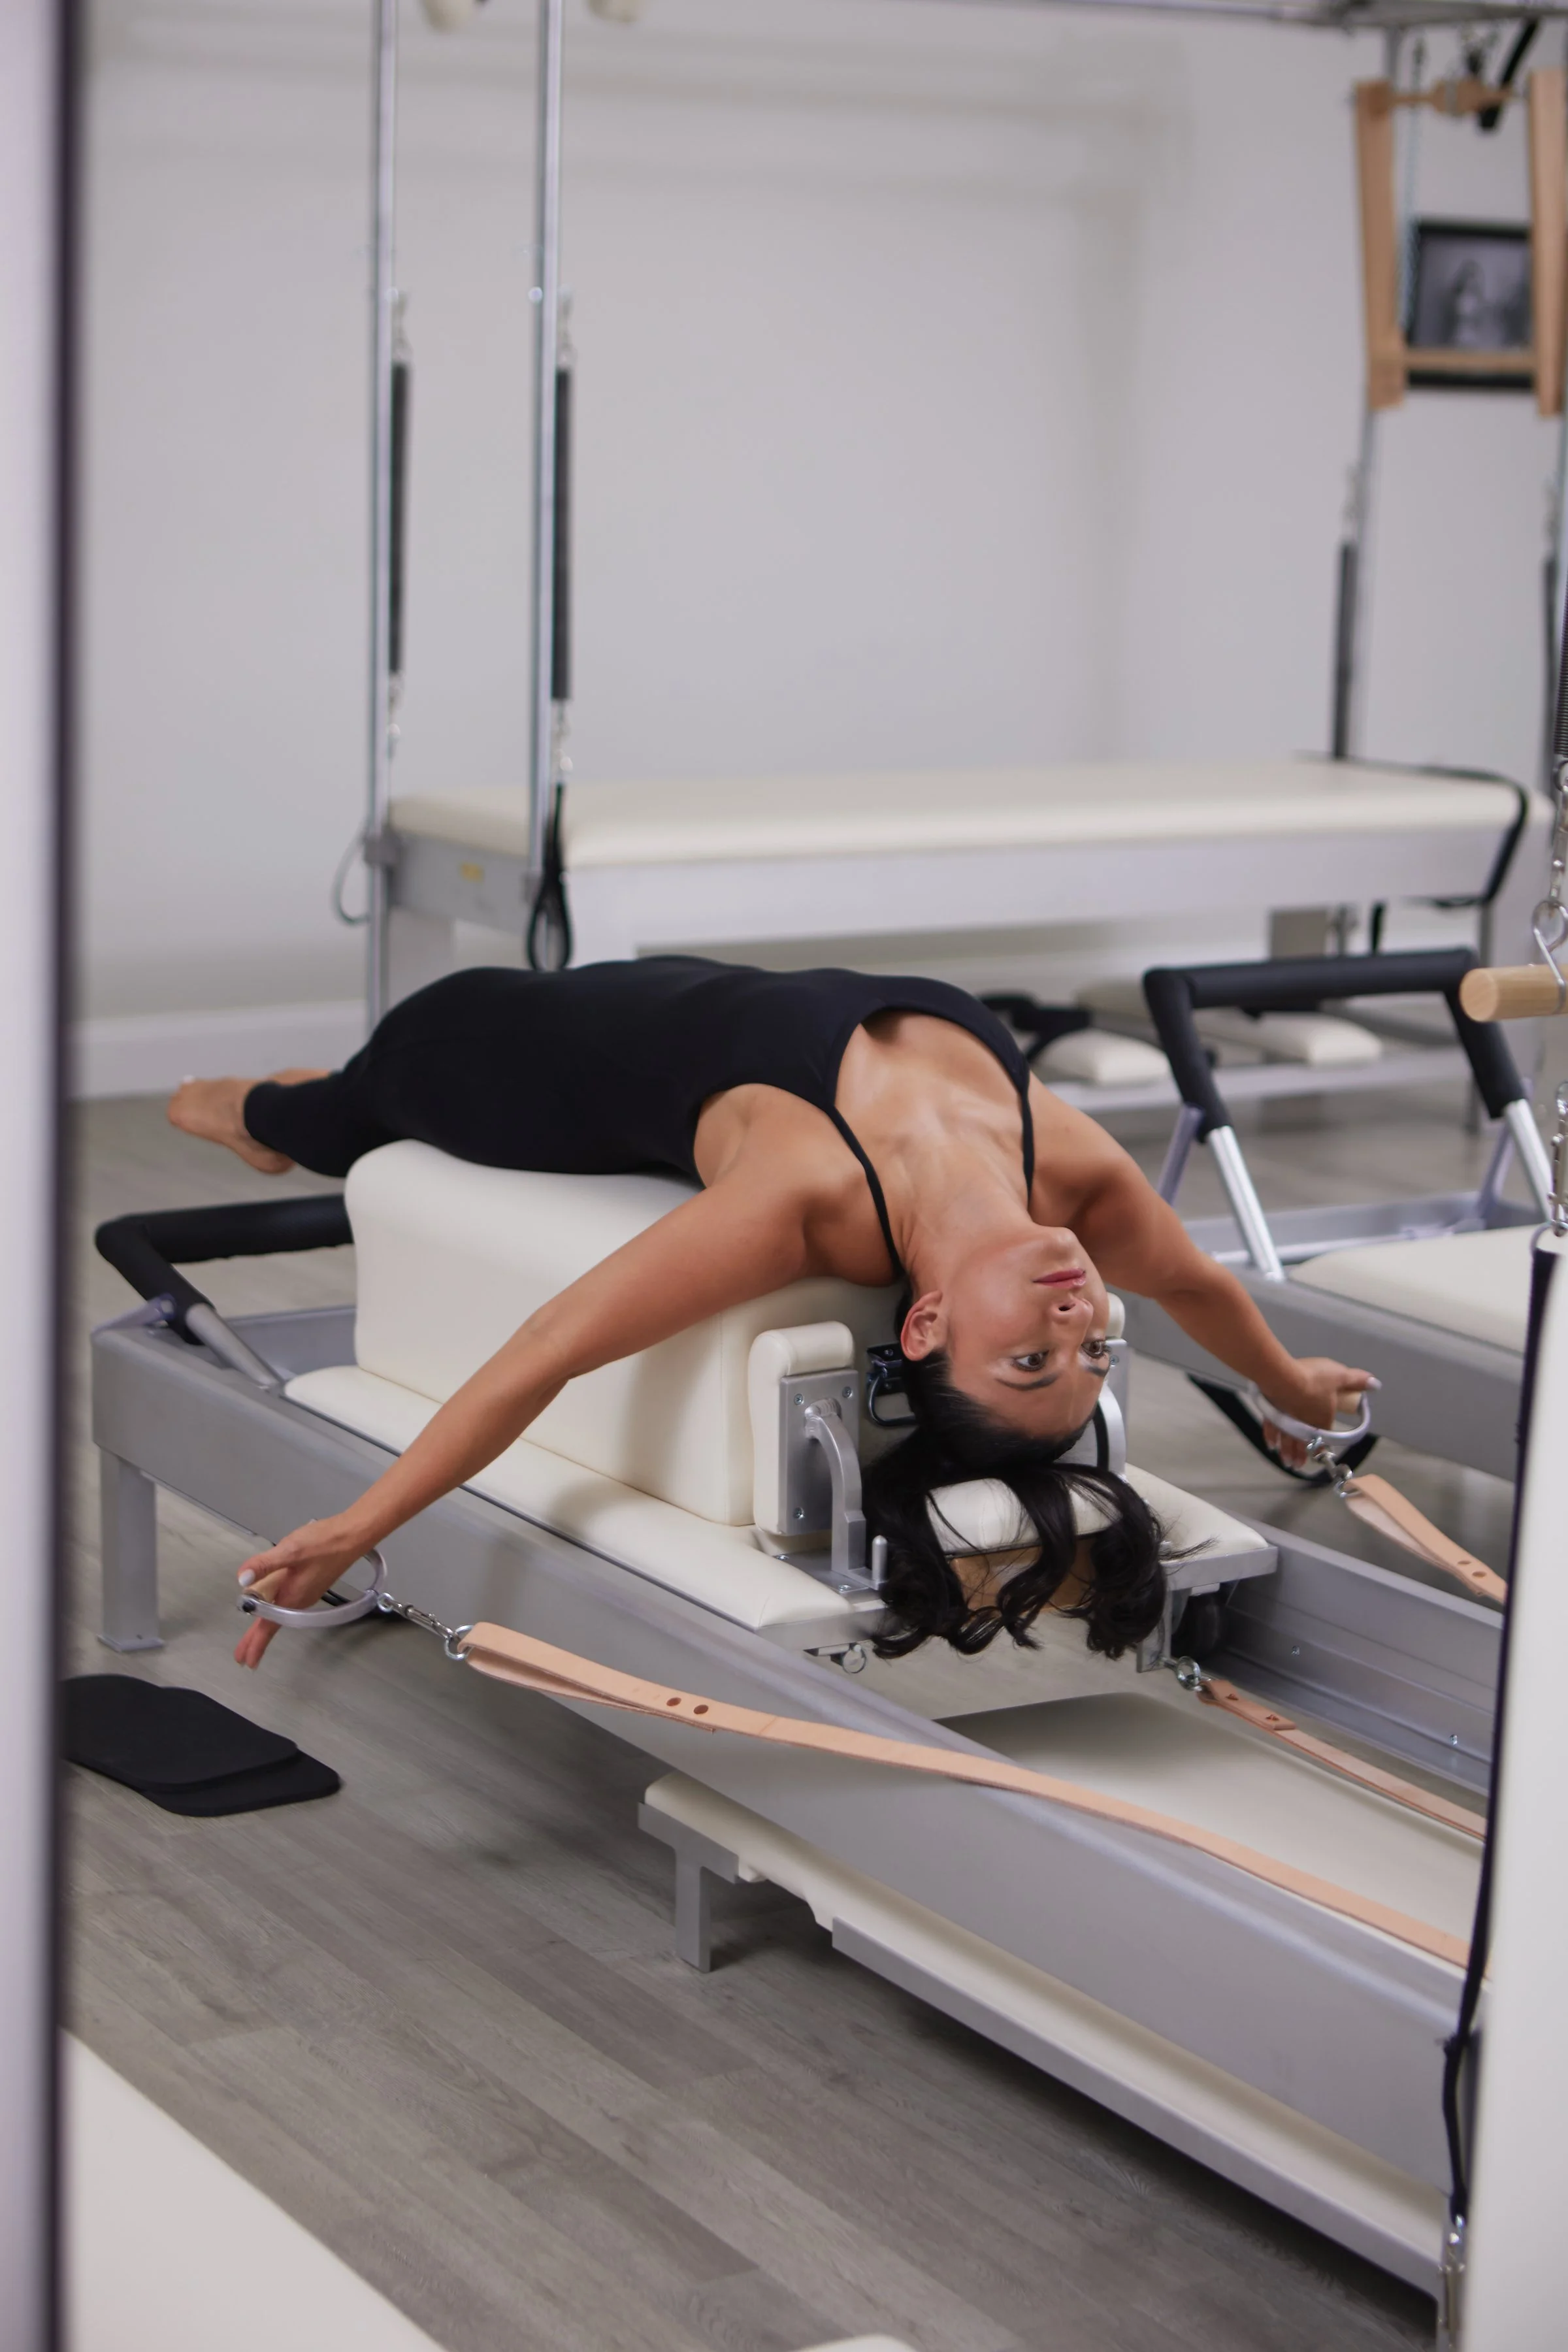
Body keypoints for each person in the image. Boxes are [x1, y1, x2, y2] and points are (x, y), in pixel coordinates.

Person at [167, 958, 1369, 1671]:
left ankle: (253, 1117)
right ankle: (290, 1111)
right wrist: (1292, 1385)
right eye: (1089, 1349)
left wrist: (359, 1523)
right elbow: (1202, 1286)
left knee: (328, 1115)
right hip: (671, 986)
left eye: (1026, 1357)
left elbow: (551, 1348)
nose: (1076, 1316)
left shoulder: (810, 1199)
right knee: (357, 1092)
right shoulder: (1080, 1182)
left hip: (509, 1060)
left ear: (925, 1322)